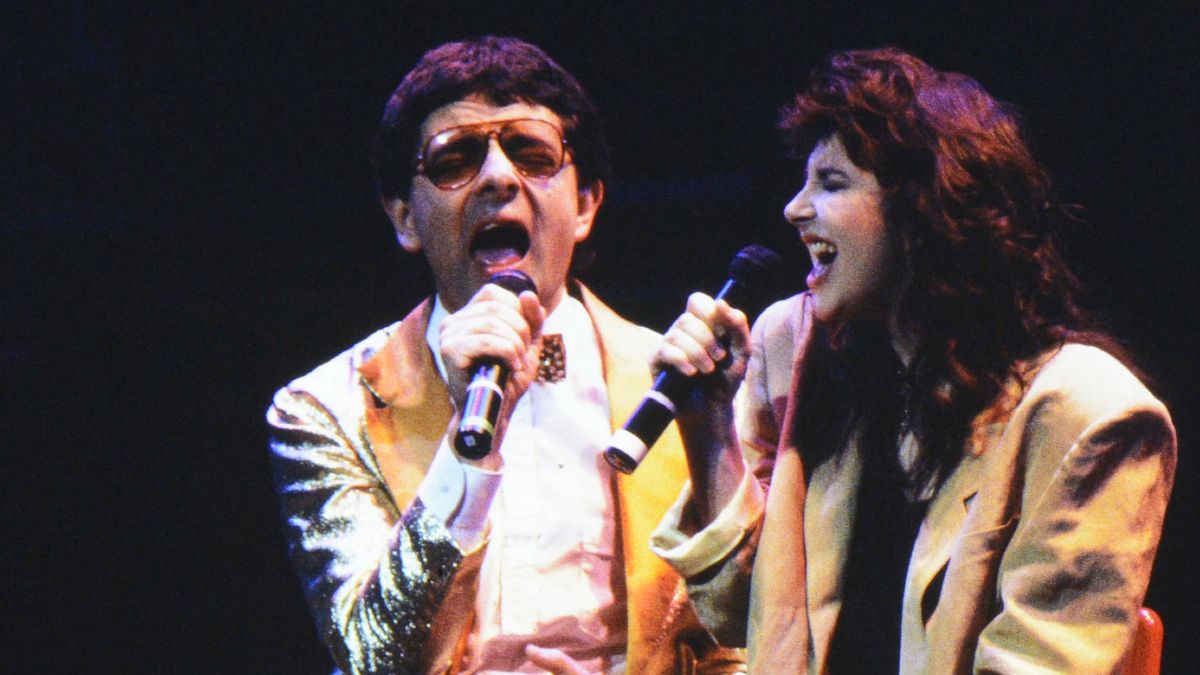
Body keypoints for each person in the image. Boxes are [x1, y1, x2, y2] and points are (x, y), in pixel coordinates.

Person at [648, 47, 1176, 673]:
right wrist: (708, 427)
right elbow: (740, 617)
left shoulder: (1088, 415)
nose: (794, 208)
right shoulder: (797, 353)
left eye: (832, 182)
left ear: (925, 207)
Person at [267, 36, 742, 674]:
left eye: (531, 152)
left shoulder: (684, 381)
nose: (498, 177)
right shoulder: (323, 408)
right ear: (405, 217)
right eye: (455, 159)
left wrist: (714, 438)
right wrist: (467, 453)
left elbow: (742, 637)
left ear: (584, 204)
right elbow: (375, 658)